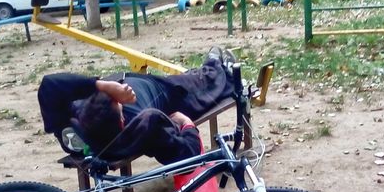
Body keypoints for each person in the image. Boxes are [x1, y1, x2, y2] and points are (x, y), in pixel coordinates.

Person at [38, 48, 237, 164]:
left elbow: (49, 83)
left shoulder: (71, 120)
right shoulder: (144, 127)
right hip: (164, 91)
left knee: (188, 80)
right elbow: (187, 156)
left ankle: (203, 70)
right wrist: (186, 124)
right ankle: (216, 63)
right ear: (123, 121)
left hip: (131, 80)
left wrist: (102, 85)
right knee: (201, 86)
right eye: (120, 107)